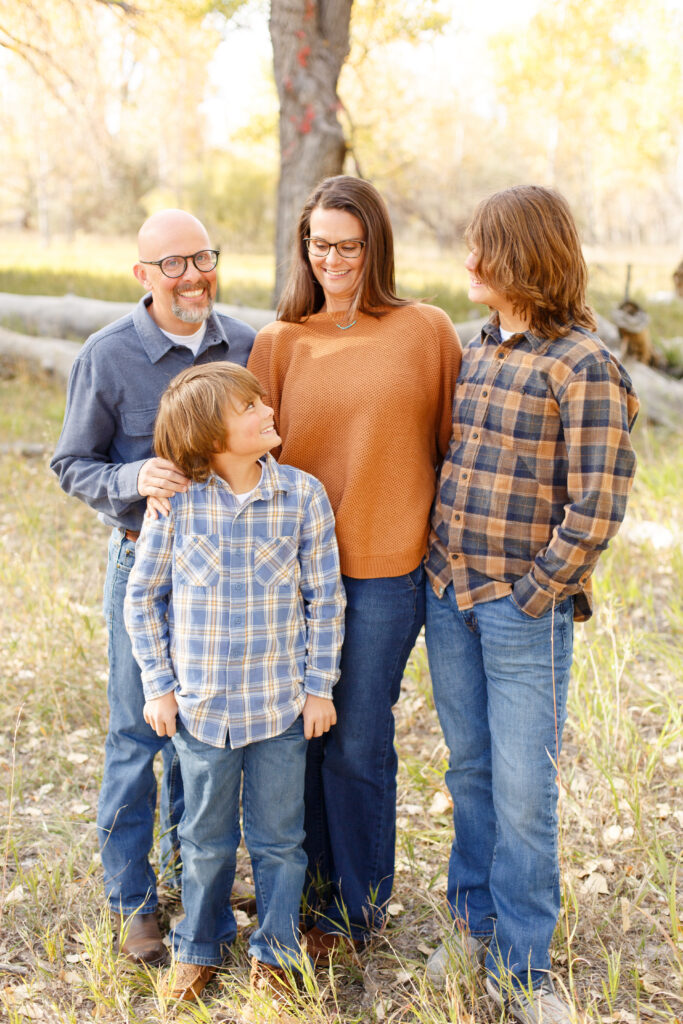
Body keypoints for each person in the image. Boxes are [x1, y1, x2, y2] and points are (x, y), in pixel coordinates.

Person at [424, 185, 639, 1023]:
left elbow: (596, 505)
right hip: (449, 598)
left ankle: (524, 971)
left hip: (521, 611)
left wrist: (534, 592)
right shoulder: (473, 350)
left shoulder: (585, 364)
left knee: (522, 790)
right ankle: (469, 926)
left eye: (482, 247)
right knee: (469, 773)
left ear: (523, 255)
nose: (468, 261)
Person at [247, 175, 461, 958]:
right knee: (294, 738)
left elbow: (449, 445)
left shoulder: (426, 332)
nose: (331, 258)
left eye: (347, 244)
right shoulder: (279, 342)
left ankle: (356, 907)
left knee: (356, 739)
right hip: (290, 576)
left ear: (374, 246)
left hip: (383, 571)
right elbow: (253, 459)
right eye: (317, 243)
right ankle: (302, 888)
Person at [50, 210, 256, 965]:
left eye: (202, 258)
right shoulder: (108, 356)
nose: (192, 276)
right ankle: (134, 902)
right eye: (172, 264)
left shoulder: (246, 345)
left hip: (226, 584)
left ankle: (192, 873)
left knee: (203, 732)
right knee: (139, 734)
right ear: (142, 276)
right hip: (145, 566)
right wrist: (134, 477)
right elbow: (71, 463)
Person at [123, 362, 345, 1002]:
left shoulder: (303, 496)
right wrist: (159, 685)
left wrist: (318, 687)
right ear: (211, 435)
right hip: (202, 711)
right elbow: (144, 599)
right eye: (248, 408)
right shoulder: (177, 506)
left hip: (279, 709)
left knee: (281, 840)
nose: (265, 412)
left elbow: (324, 601)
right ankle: (201, 945)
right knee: (205, 838)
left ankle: (276, 950)